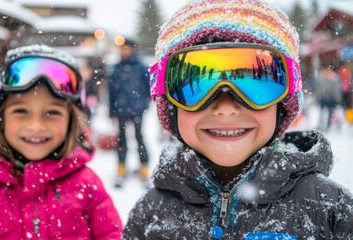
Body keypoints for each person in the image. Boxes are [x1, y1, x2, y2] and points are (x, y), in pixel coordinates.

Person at [123, 0, 353, 239]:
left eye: (255, 80)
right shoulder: (149, 215)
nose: (226, 108)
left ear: (284, 103)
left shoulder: (329, 211)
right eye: (197, 82)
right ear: (170, 106)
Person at [0, 45, 123, 240]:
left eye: (52, 112)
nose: (36, 126)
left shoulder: (88, 186)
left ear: (72, 122)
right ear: (0, 119)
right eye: (21, 111)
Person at [108, 39, 151, 187]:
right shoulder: (116, 68)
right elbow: (111, 91)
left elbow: (148, 87)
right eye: (122, 48)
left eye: (126, 48)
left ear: (132, 49)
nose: (124, 51)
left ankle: (144, 167)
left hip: (137, 109)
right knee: (121, 140)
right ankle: (121, 167)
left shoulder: (140, 67)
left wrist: (144, 104)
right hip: (121, 110)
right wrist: (111, 110)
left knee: (139, 138)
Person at [316, 66, 342, 131]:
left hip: (323, 98)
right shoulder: (333, 78)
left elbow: (318, 89)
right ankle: (327, 126)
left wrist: (318, 97)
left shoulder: (321, 78)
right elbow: (335, 90)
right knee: (329, 112)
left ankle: (321, 125)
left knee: (322, 112)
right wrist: (337, 98)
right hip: (330, 98)